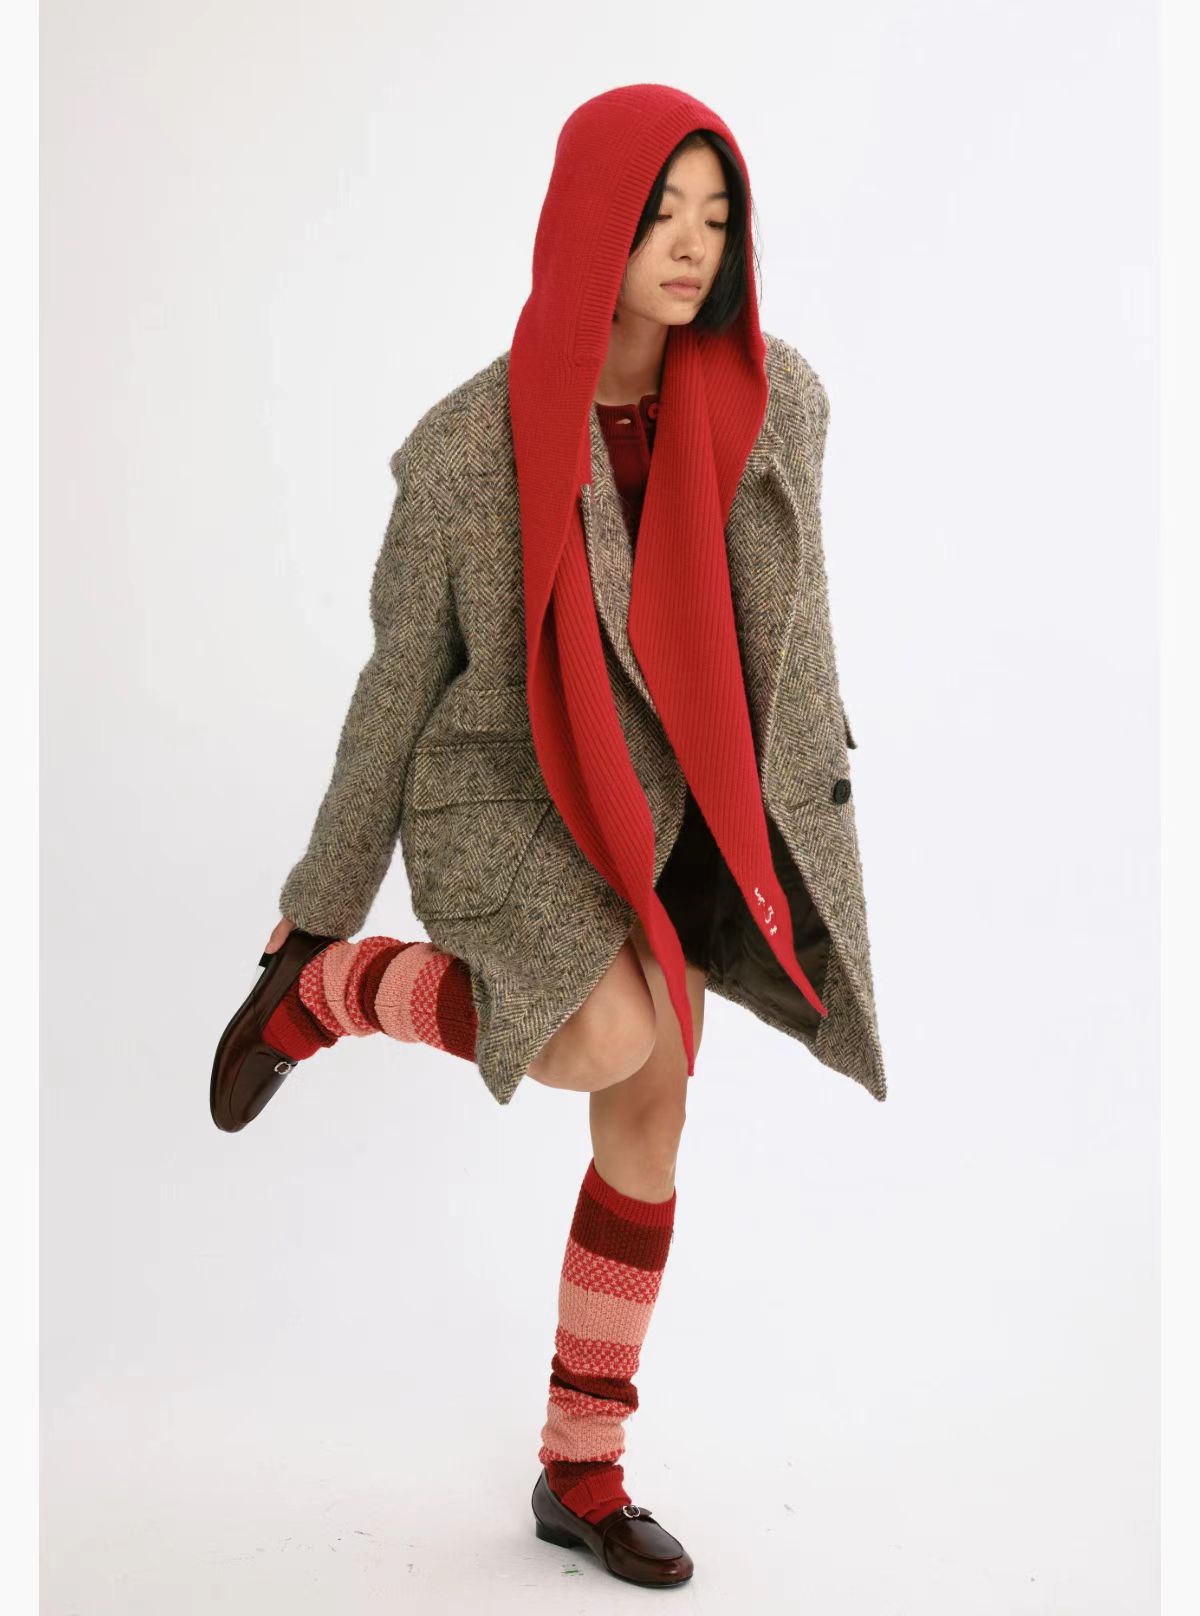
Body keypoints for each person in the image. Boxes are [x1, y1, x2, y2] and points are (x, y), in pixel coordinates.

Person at [210, 83, 885, 1589]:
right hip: (509, 792)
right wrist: (322, 906)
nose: (693, 245)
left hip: (682, 798)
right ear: (593, 221)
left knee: (652, 1114)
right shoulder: (468, 447)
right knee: (600, 1037)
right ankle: (332, 993)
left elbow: (793, 630)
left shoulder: (780, 400)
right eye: (662, 213)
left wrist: (795, 802)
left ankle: (581, 1472)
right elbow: (397, 690)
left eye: (718, 217)